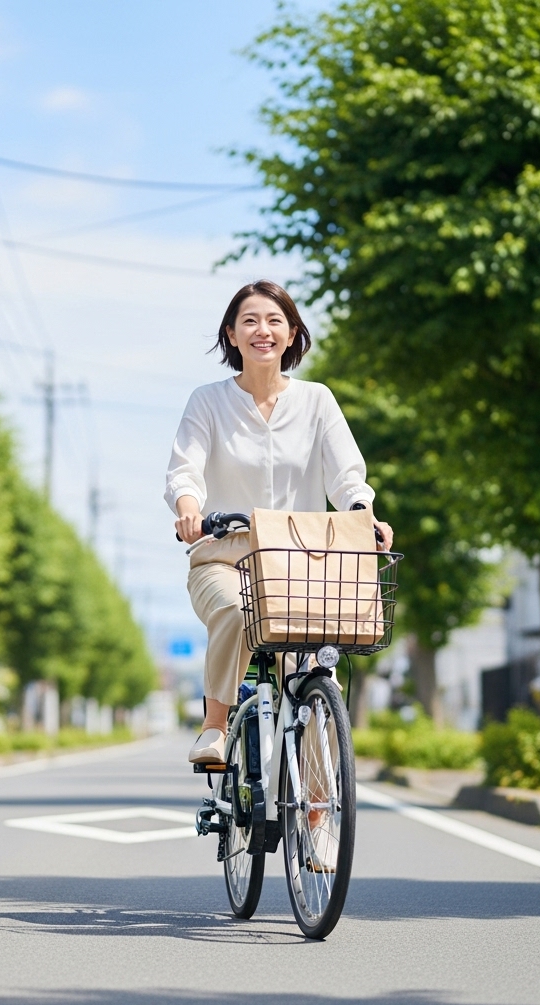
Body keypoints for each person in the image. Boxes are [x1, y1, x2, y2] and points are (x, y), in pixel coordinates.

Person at [164, 280, 394, 764]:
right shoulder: (208, 401)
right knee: (235, 610)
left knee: (315, 677)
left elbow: (347, 476)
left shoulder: (317, 401)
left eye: (274, 321)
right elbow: (185, 470)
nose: (262, 330)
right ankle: (214, 726)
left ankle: (319, 793)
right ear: (231, 334)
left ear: (292, 334)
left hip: (302, 564)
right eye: (249, 321)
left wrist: (362, 513)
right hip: (226, 557)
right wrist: (188, 508)